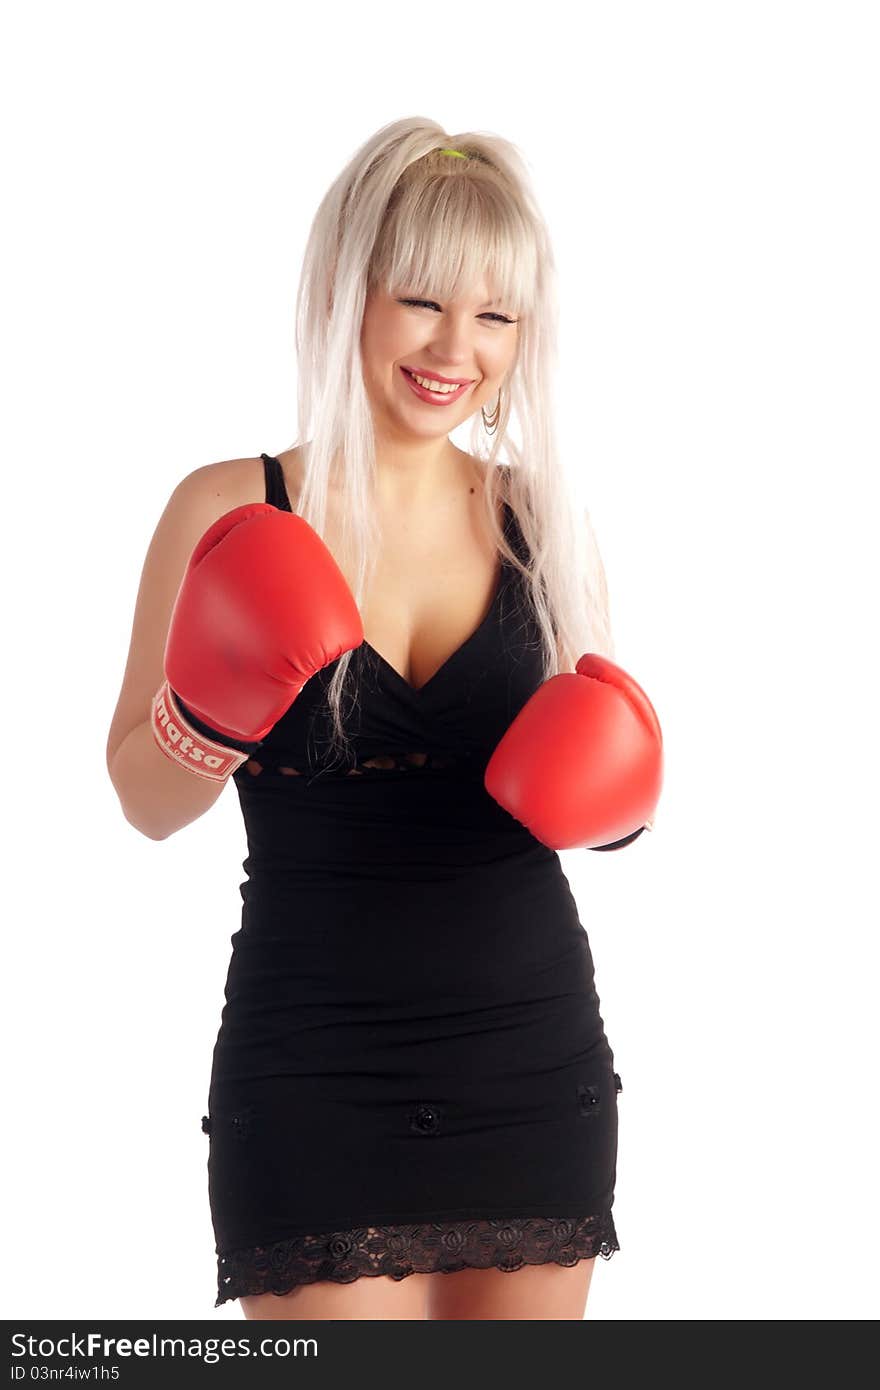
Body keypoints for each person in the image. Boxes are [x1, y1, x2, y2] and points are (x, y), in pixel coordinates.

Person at [106, 117, 662, 1321]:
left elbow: (602, 781)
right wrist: (208, 707)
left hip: (530, 1060)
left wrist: (620, 801)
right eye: (419, 300)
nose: (455, 348)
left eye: (495, 317)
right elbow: (143, 801)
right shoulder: (232, 505)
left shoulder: (537, 517)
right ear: (348, 289)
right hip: (312, 1071)